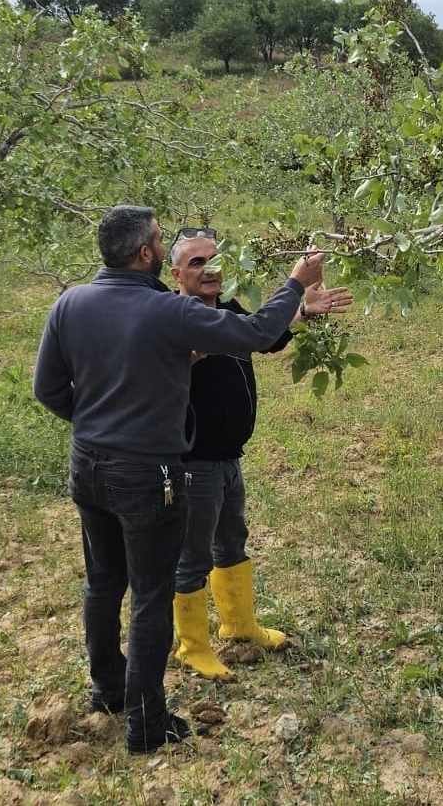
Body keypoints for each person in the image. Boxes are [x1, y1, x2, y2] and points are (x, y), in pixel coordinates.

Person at [32, 205, 324, 755]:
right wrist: (295, 282)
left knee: (103, 583)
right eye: (162, 241)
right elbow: (259, 332)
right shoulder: (168, 310)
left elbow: (47, 388)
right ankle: (146, 723)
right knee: (150, 593)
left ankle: (108, 690)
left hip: (88, 467)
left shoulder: (70, 302)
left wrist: (97, 426)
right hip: (147, 473)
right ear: (146, 253)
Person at [166, 226, 352, 680]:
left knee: (232, 541)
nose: (209, 270)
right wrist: (295, 285)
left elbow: (261, 336)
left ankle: (238, 625)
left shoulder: (226, 308)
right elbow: (253, 333)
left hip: (228, 458)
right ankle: (192, 646)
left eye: (214, 260)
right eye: (196, 263)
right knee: (193, 556)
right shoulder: (177, 318)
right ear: (176, 274)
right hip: (193, 462)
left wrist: (302, 313)